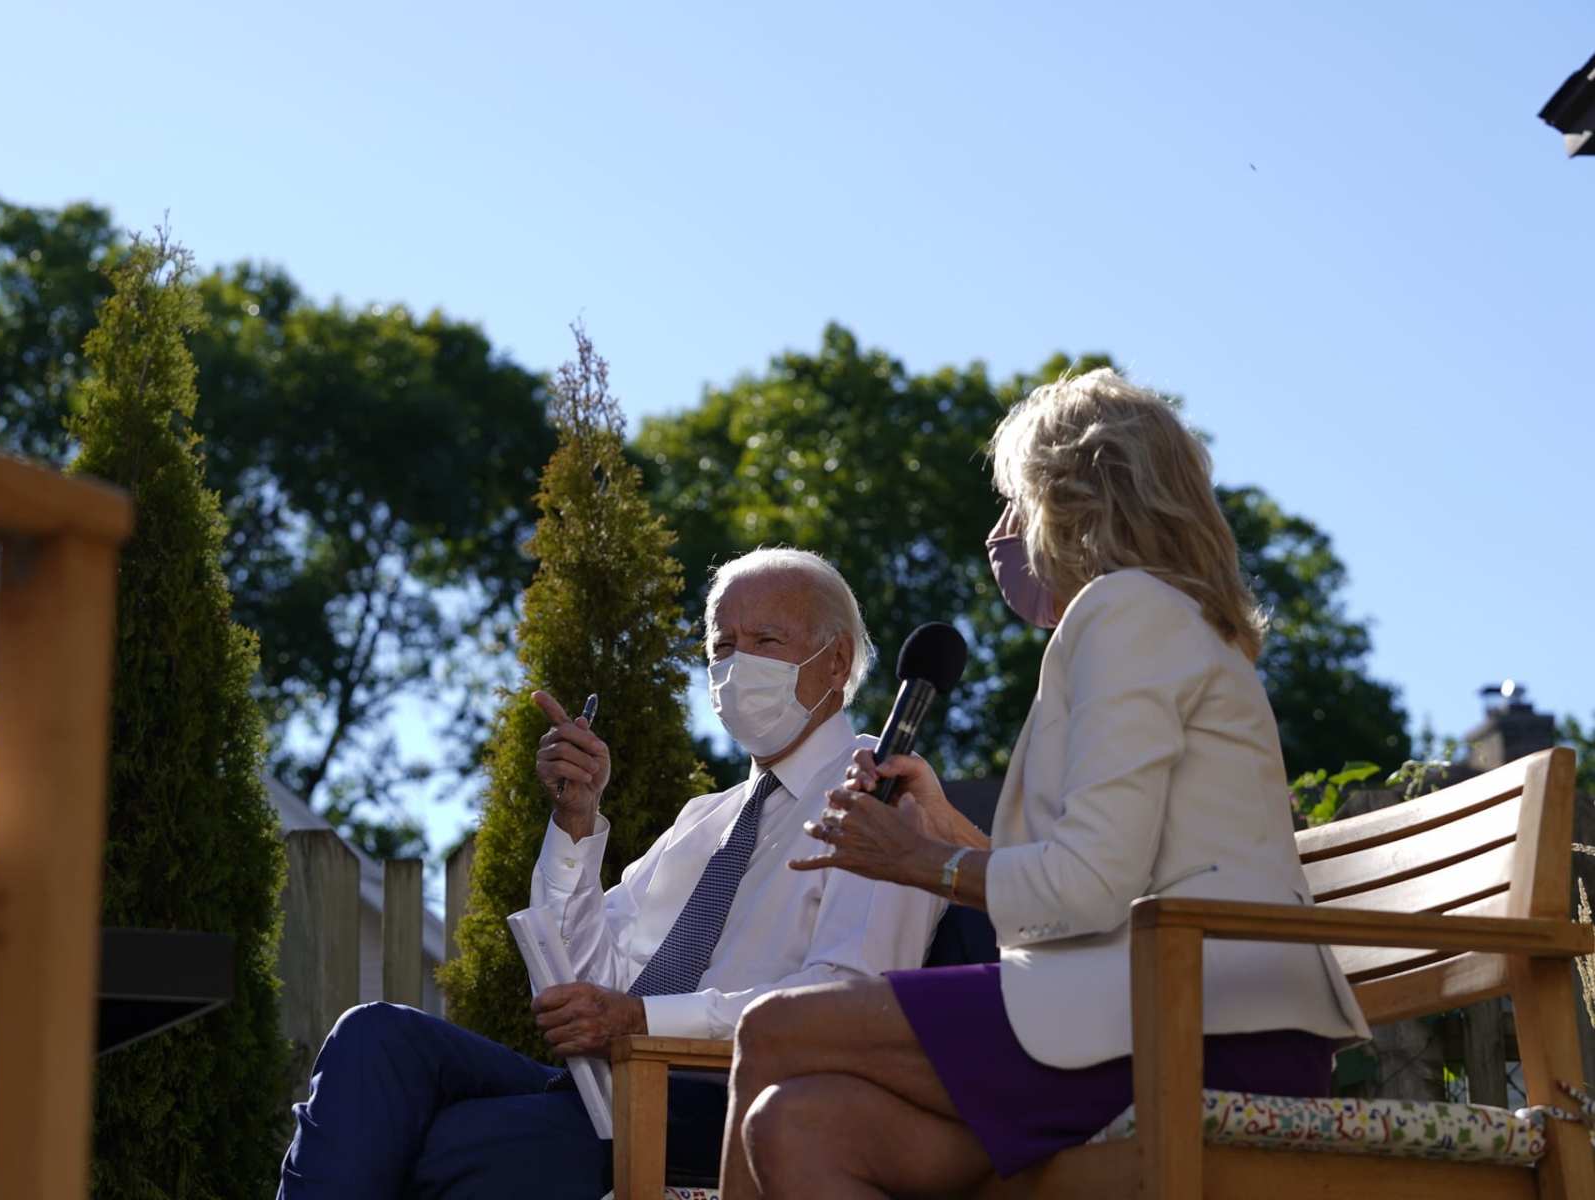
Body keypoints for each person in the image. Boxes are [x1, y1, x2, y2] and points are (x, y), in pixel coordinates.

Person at [716, 369, 1372, 1198]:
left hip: (1196, 1028)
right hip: (1149, 1013)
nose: (1000, 534)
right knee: (800, 1124)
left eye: (1014, 504)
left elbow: (1090, 890)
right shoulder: (1159, 619)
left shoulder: (1125, 609)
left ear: (1073, 502)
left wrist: (916, 863)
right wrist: (946, 839)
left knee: (773, 1030)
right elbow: (1110, 878)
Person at [277, 548, 944, 1199]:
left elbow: (846, 1001)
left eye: (765, 640)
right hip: (612, 1088)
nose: (737, 667)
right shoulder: (705, 821)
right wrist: (575, 821)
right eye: (721, 648)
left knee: (467, 1142)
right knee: (375, 1038)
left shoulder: (878, 794)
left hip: (741, 1100)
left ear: (835, 662)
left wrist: (643, 1020)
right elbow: (583, 981)